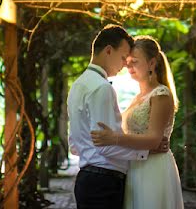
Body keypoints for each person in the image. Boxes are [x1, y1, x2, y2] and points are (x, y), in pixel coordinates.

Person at [68, 24, 166, 209]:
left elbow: (74, 144)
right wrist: (147, 151)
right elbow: (106, 147)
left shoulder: (78, 85)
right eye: (123, 58)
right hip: (103, 183)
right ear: (108, 51)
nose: (124, 65)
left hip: (88, 179)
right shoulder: (102, 88)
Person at [91, 35, 184, 209]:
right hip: (135, 166)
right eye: (127, 61)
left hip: (154, 168)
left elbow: (154, 139)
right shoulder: (137, 98)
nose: (128, 66)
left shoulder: (161, 94)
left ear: (151, 63)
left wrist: (115, 138)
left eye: (134, 61)